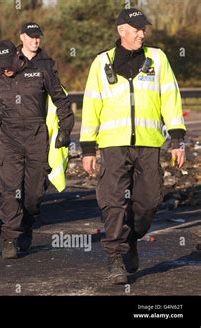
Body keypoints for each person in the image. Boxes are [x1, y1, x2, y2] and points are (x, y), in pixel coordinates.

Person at [80, 8, 186, 284]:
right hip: (113, 146)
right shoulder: (101, 63)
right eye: (137, 28)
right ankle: (116, 258)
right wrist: (88, 149)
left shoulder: (158, 59)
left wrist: (177, 140)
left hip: (149, 144)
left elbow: (171, 100)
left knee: (150, 200)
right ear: (121, 31)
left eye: (144, 28)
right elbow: (91, 106)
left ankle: (131, 238)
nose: (142, 33)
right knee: (113, 202)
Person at [0, 40, 74, 259]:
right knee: (10, 191)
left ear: (17, 55)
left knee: (33, 194)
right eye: (0, 65)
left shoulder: (40, 71)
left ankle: (27, 224)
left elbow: (61, 100)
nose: (5, 69)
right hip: (8, 139)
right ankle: (10, 239)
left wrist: (65, 129)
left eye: (8, 63)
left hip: (36, 136)